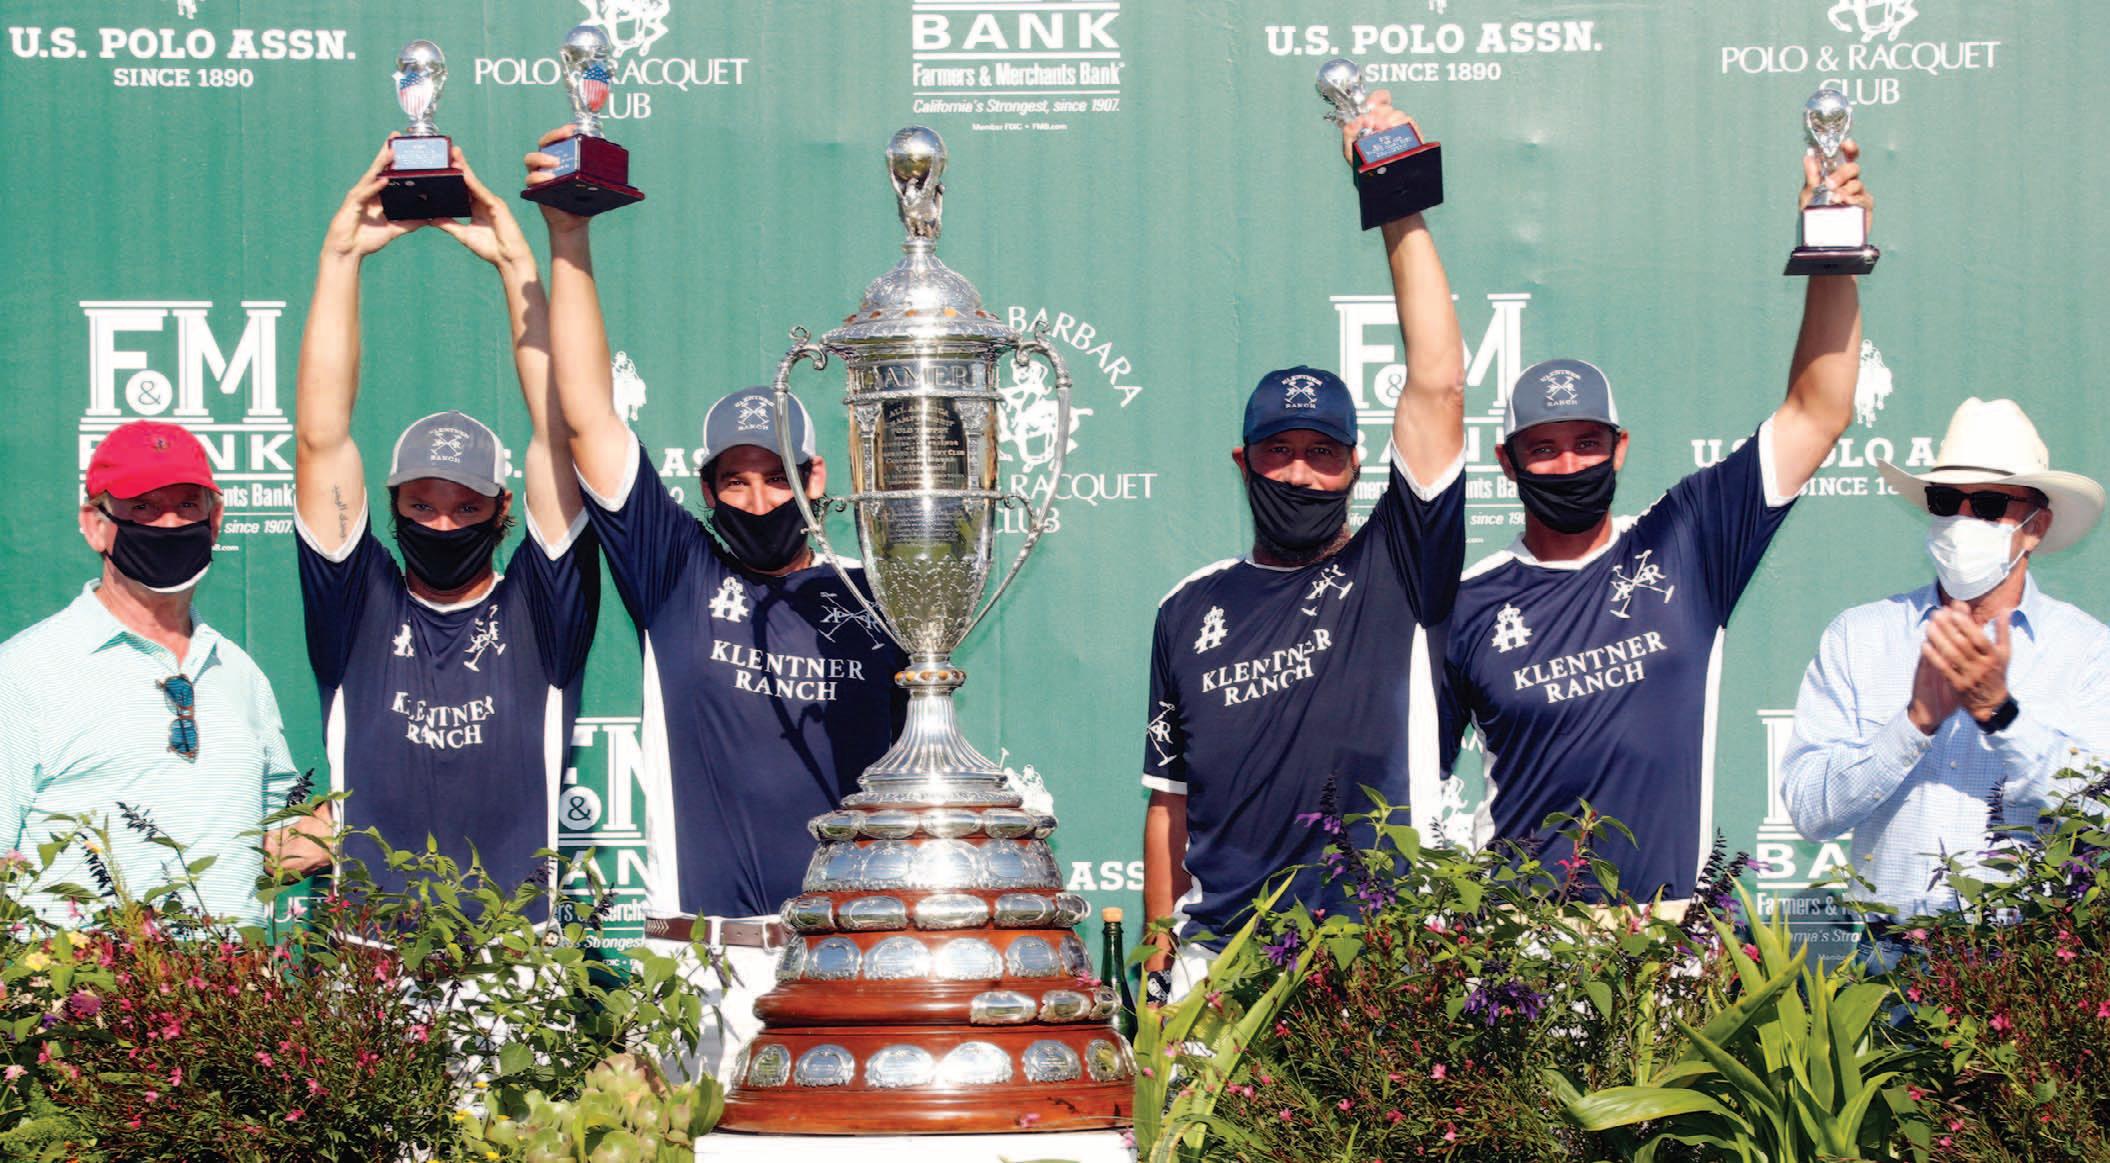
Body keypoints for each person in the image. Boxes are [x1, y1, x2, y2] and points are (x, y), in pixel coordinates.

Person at [529, 129, 905, 1078]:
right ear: (705, 489)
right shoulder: (679, 572)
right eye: (734, 480)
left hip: (846, 962)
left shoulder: (884, 597)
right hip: (701, 966)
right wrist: (569, 234)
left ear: (816, 477)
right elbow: (588, 418)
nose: (757, 499)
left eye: (776, 477)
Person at [1443, 143, 1875, 908]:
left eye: (1588, 442)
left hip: (1669, 931)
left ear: (1621, 448)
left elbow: (1819, 411)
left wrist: (1833, 251)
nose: (1569, 463)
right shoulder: (1466, 602)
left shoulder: (1685, 541)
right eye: (1543, 448)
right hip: (1518, 942)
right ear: (1506, 462)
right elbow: (1411, 782)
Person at [1140, 92, 1466, 998]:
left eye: (1322, 454)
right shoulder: (1187, 610)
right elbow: (1167, 806)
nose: (1298, 474)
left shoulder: (1399, 563)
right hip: (1219, 970)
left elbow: (1438, 383)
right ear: (1242, 462)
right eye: (1278, 452)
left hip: (1379, 964)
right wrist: (1159, 965)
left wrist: (1397, 197)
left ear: (1357, 465)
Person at [292, 142, 597, 901]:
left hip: (514, 953)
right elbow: (322, 438)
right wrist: (340, 258)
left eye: (466, 506)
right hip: (368, 956)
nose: (443, 523)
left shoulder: (541, 610)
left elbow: (561, 436)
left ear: (502, 509)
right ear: (391, 505)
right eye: (422, 504)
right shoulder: (357, 605)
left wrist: (516, 262)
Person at [1783, 397, 2110, 918]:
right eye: (1944, 500)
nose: (1962, 519)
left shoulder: (2088, 650)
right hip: (1887, 959)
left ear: (2036, 526)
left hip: (2028, 958)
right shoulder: (1860, 635)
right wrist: (1914, 723)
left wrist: (2002, 716)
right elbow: (1809, 811)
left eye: (1987, 505)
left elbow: (2101, 812)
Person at [0, 422, 329, 925]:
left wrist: (358, 817)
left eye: (187, 505)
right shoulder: (23, 673)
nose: (169, 525)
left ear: (214, 521)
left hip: (227, 974)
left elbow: (272, 846)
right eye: (143, 508)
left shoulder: (239, 674)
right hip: (81, 975)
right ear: (94, 524)